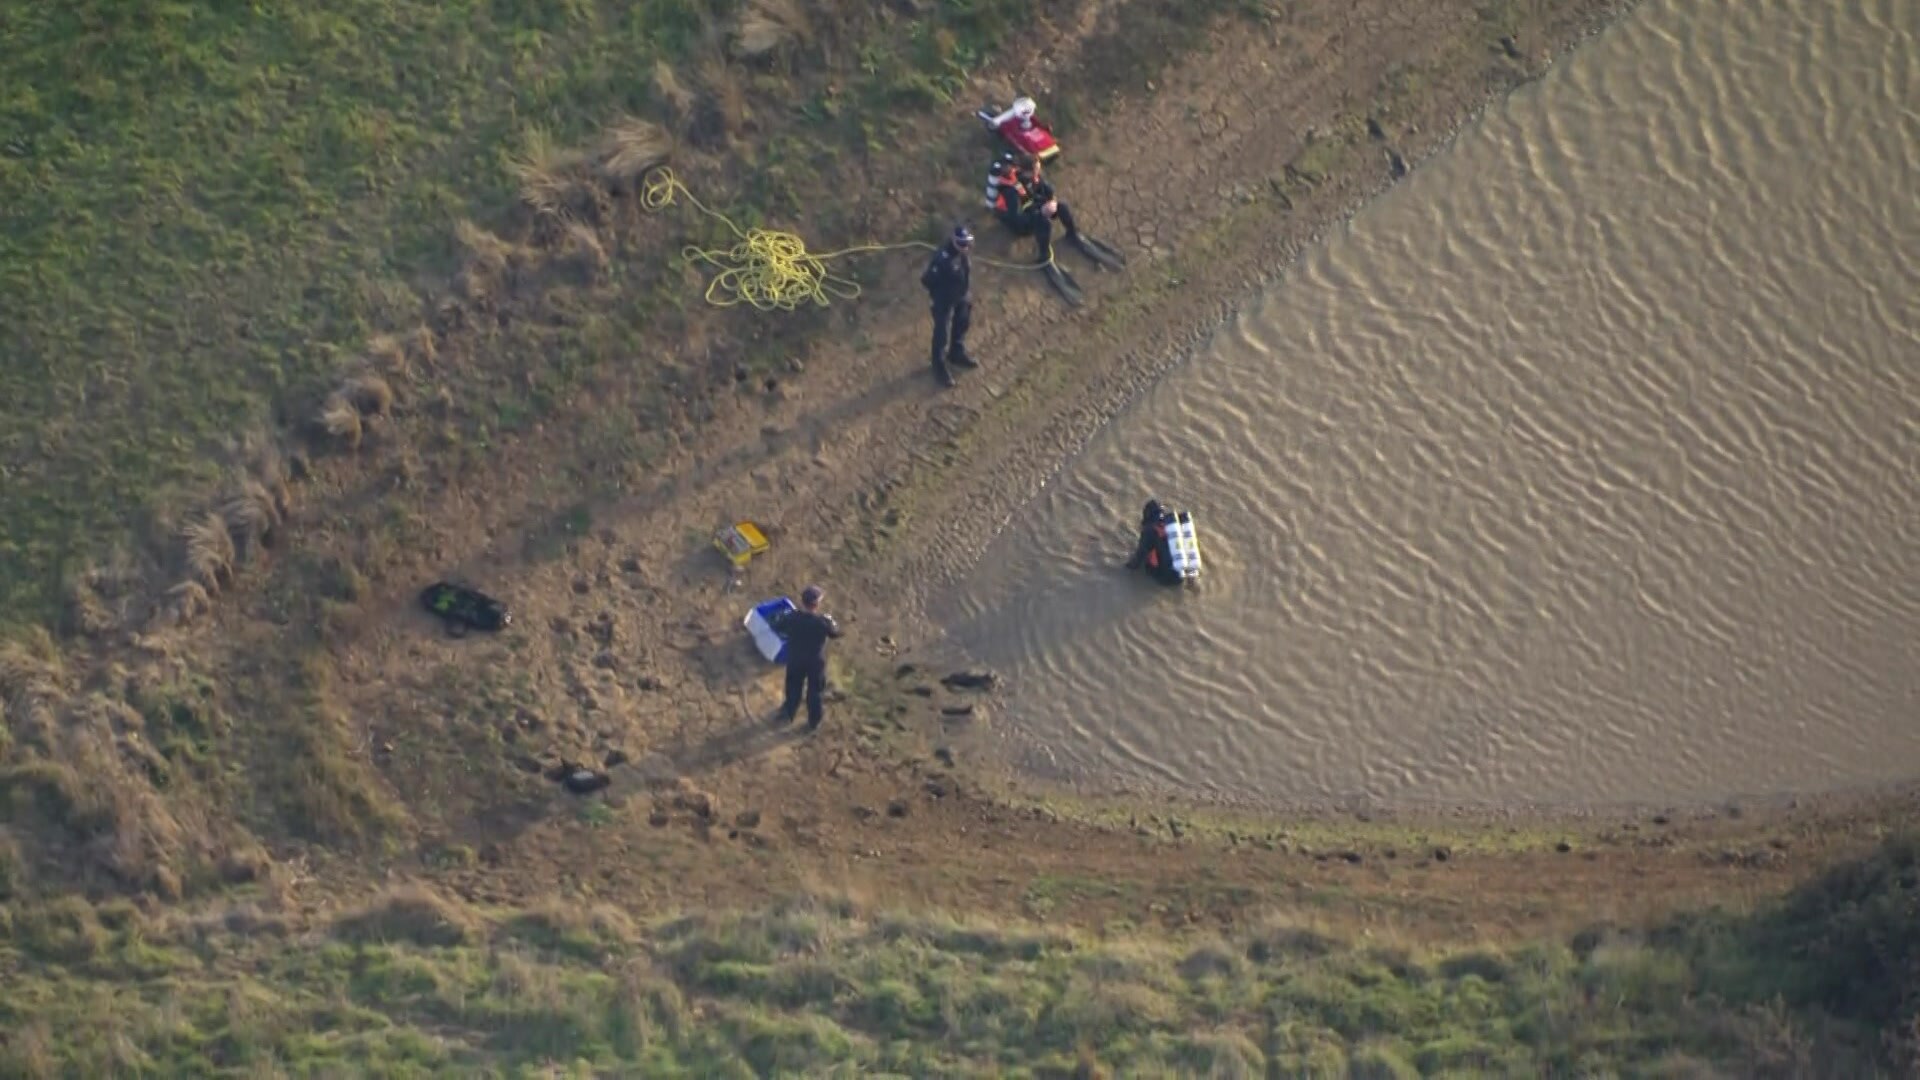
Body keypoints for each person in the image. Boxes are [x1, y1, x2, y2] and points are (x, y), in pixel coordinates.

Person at [987, 152, 1081, 264]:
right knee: (1043, 222)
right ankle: (1044, 254)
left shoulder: (1033, 178)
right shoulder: (1011, 190)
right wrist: (1039, 211)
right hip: (1019, 223)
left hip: (1033, 209)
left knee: (1062, 207)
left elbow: (1047, 191)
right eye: (1036, 169)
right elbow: (1016, 214)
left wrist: (1051, 202)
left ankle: (1072, 233)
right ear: (1028, 171)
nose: (1039, 171)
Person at [777, 584, 842, 732]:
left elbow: (779, 626)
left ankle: (788, 713)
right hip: (815, 662)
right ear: (816, 604)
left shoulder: (792, 617)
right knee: (815, 692)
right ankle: (813, 722)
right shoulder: (822, 622)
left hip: (796, 658)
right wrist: (832, 622)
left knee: (793, 687)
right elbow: (836, 634)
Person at [920, 225, 979, 388]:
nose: (965, 246)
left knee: (962, 323)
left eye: (966, 243)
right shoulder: (942, 259)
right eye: (961, 243)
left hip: (961, 295)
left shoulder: (963, 254)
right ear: (953, 241)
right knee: (941, 333)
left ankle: (956, 353)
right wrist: (938, 296)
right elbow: (926, 280)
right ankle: (938, 366)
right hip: (943, 300)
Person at [1125, 500, 1184, 586]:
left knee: (1147, 555)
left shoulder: (1149, 531)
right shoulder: (1173, 524)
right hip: (1182, 574)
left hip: (1166, 579)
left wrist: (1126, 569)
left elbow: (1138, 559)